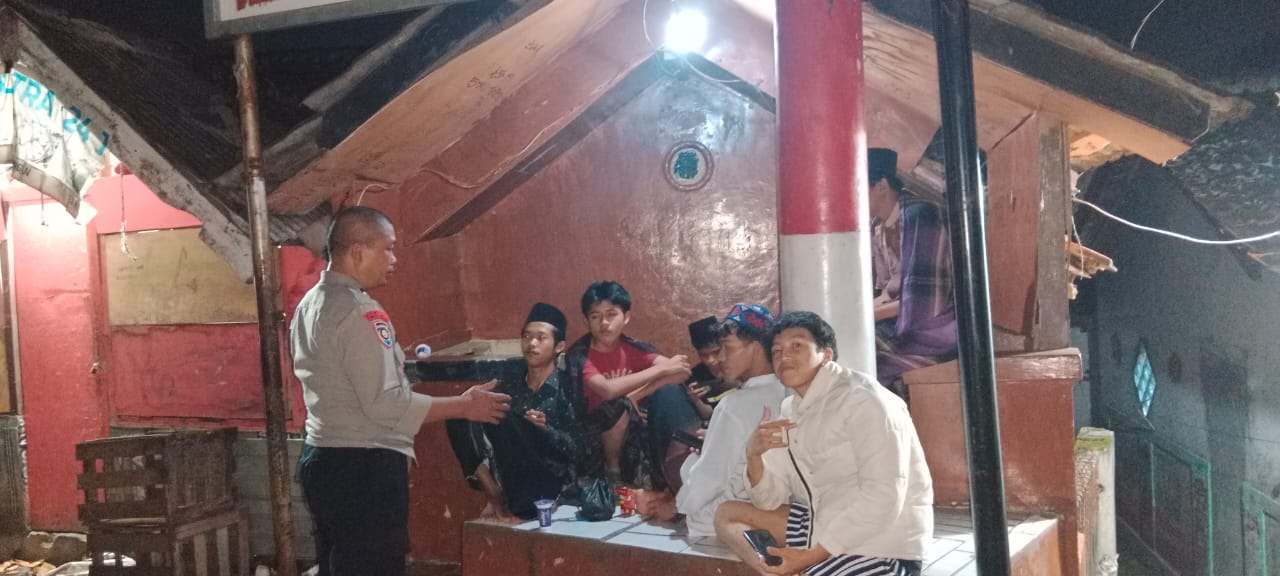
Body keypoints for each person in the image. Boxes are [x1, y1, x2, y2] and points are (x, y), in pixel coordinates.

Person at [291, 206, 511, 576]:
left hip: (324, 458)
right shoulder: (360, 313)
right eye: (388, 248)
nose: (394, 259)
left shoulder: (311, 303)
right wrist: (464, 406)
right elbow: (385, 403)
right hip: (362, 466)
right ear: (358, 252)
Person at [715, 311, 933, 576]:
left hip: (881, 543)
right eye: (777, 351)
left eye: (797, 346)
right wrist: (754, 457)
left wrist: (810, 557)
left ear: (826, 355)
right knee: (727, 514)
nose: (784, 356)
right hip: (821, 522)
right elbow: (769, 500)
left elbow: (883, 498)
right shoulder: (790, 409)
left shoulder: (865, 401)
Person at [448, 303, 581, 521]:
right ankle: (493, 493)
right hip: (512, 481)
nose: (532, 343)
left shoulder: (570, 389)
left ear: (559, 346)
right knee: (460, 411)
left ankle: (520, 502)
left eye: (541, 338)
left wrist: (546, 430)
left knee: (507, 417)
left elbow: (579, 451)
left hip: (552, 485)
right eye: (527, 337)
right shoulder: (509, 387)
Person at [563, 281, 696, 490]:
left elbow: (681, 372)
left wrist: (636, 395)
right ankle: (613, 473)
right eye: (595, 316)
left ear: (625, 317)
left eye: (611, 314)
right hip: (591, 433)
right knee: (618, 405)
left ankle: (678, 476)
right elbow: (607, 390)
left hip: (634, 427)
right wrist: (660, 370)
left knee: (670, 393)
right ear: (586, 321)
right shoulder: (579, 355)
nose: (604, 323)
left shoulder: (633, 348)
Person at [676, 304, 786, 538]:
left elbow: (708, 481)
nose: (720, 358)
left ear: (756, 348)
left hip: (737, 512)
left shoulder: (734, 405)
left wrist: (678, 505)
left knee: (692, 477)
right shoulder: (788, 392)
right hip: (780, 511)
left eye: (727, 348)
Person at [866, 147, 959, 385]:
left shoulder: (921, 215)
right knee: (846, 344)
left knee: (865, 360)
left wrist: (864, 316)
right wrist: (857, 314)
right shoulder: (878, 228)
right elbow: (889, 293)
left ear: (881, 186)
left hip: (936, 330)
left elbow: (921, 304)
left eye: (857, 187)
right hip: (903, 321)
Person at [685, 315, 727, 421]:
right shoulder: (694, 377)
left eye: (716, 352)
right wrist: (696, 401)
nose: (710, 360)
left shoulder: (739, 368)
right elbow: (709, 415)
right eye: (703, 355)